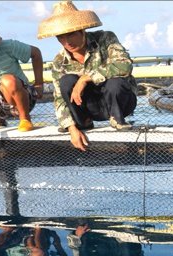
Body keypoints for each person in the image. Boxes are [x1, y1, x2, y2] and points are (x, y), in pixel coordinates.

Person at [37, 2, 138, 152]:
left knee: (115, 82)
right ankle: (83, 122)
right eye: (61, 37)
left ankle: (117, 119)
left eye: (71, 34)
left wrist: (85, 78)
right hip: (90, 109)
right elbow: (59, 99)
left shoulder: (105, 39)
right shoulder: (59, 61)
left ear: (82, 30)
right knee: (66, 82)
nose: (67, 42)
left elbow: (124, 65)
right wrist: (71, 129)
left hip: (121, 105)